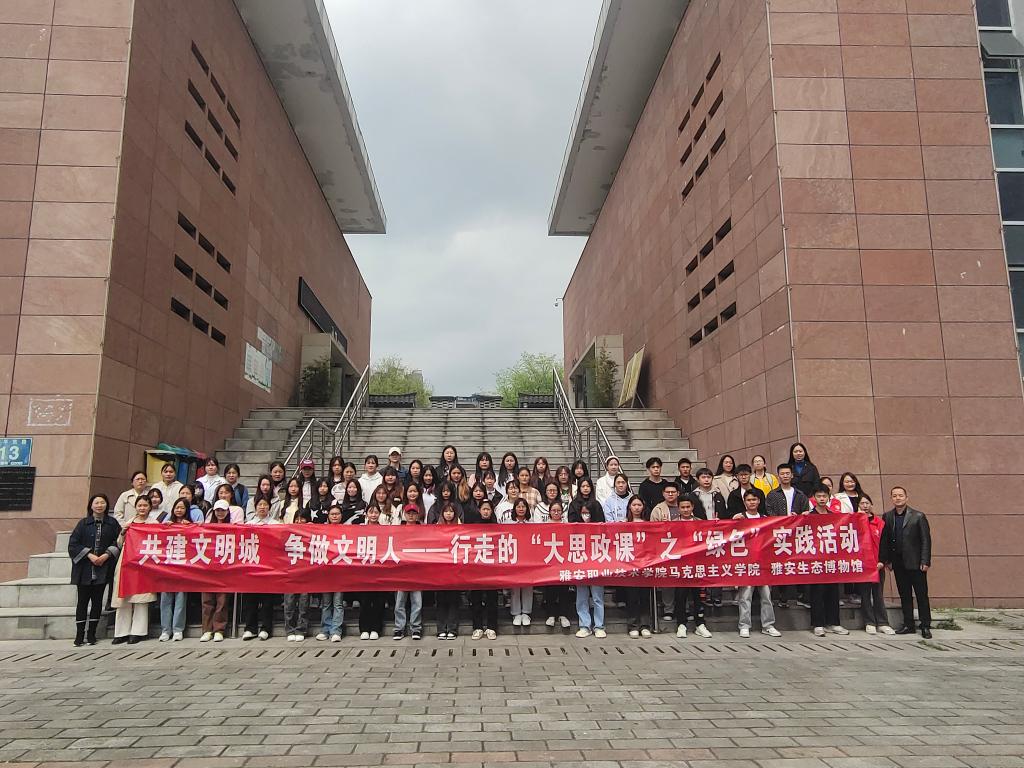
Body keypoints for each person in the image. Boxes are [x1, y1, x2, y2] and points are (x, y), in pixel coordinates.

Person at [880, 486, 933, 639]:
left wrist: (925, 560)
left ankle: (925, 625)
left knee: (921, 595)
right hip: (898, 563)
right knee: (904, 595)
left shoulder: (918, 516)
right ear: (891, 498)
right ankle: (908, 624)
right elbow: (885, 540)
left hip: (916, 563)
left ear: (906, 497)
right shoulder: (888, 516)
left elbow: (926, 540)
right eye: (894, 496)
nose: (898, 498)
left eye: (900, 495)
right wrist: (887, 560)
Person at [68, 493, 120, 646]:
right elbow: (73, 545)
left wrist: (106, 555)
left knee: (97, 602)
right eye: (96, 503)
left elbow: (118, 542)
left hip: (103, 567)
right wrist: (89, 555)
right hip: (84, 568)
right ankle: (79, 635)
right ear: (91, 505)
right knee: (82, 602)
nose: (99, 505)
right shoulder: (83, 524)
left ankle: (91, 634)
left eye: (102, 502)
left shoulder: (112, 523)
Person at [732, 490, 782, 638]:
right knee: (745, 596)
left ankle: (768, 625)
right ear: (744, 502)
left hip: (763, 563)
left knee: (766, 596)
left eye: (754, 499)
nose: (752, 502)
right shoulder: (739, 518)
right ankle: (744, 625)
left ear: (759, 501)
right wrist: (733, 521)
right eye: (749, 500)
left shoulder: (766, 519)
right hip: (746, 563)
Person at [110, 495, 157, 644]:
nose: (142, 508)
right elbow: (119, 543)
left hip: (144, 563)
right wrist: (123, 532)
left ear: (150, 507)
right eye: (140, 505)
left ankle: (138, 631)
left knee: (141, 598)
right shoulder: (129, 523)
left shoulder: (153, 523)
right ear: (135, 507)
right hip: (126, 561)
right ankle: (121, 632)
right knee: (123, 596)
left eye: (145, 505)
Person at [807, 484, 848, 637]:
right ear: (814, 498)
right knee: (817, 592)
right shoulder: (808, 516)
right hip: (815, 560)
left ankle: (834, 623)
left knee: (833, 591)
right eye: (819, 496)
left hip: (831, 559)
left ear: (829, 498)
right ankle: (818, 624)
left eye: (824, 496)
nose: (822, 499)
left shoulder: (834, 516)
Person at [670, 497, 712, 640]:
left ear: (692, 507)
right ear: (678, 508)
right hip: (680, 566)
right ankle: (681, 624)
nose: (686, 510)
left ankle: (700, 624)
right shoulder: (672, 524)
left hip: (697, 565)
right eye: (683, 507)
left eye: (688, 507)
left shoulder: (700, 522)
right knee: (680, 596)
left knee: (698, 596)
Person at [569, 478, 606, 638]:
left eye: (588, 486)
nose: (585, 488)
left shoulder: (596, 505)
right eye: (583, 486)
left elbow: (603, 525)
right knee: (582, 593)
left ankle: (599, 626)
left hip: (596, 551)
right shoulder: (573, 505)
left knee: (597, 594)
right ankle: (584, 625)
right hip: (579, 552)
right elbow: (571, 526)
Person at [242, 497, 280, 641]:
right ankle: (250, 628)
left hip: (269, 567)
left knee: (267, 600)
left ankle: (266, 628)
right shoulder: (248, 524)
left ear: (269, 507)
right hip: (252, 567)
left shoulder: (276, 524)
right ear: (255, 507)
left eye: (265, 505)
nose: (262, 507)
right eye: (260, 505)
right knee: (250, 599)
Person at [857, 495, 895, 635]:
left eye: (867, 503)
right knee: (865, 595)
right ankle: (869, 622)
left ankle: (883, 623)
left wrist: (882, 561)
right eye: (862, 503)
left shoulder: (879, 523)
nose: (865, 506)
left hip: (878, 565)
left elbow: (885, 544)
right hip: (862, 565)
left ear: (871, 505)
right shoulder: (854, 521)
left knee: (878, 594)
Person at [159, 498, 193, 642]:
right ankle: (165, 630)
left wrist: (190, 526)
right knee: (165, 600)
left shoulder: (190, 525)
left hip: (183, 568)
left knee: (180, 600)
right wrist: (164, 527)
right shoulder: (166, 524)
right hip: (167, 567)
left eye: (182, 508)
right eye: (177, 507)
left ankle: (178, 629)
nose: (179, 510)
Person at [200, 501, 232, 643]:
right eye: (217, 510)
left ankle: (219, 629)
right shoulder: (206, 527)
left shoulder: (233, 527)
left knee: (222, 600)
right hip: (208, 568)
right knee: (207, 600)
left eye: (223, 510)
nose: (220, 513)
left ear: (227, 512)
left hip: (225, 569)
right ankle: (207, 630)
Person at [622, 495, 653, 638]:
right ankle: (633, 625)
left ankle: (645, 625)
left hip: (646, 564)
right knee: (632, 596)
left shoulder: (649, 524)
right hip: (630, 565)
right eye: (634, 505)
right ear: (629, 506)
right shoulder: (623, 523)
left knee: (644, 596)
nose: (636, 508)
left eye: (639, 505)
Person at [468, 500, 500, 640]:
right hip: (477, 567)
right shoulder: (473, 526)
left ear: (492, 511)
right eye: (484, 509)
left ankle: (492, 627)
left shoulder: (497, 527)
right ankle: (477, 627)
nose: (486, 511)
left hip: (492, 567)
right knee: (476, 598)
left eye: (488, 509)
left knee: (492, 598)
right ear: (479, 510)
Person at [393, 503, 424, 640]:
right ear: (404, 515)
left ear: (417, 515)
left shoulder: (423, 530)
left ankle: (416, 628)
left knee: (417, 601)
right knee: (399, 602)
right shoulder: (398, 530)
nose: (411, 516)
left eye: (413, 513)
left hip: (417, 569)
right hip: (402, 570)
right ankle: (399, 628)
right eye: (409, 513)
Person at [356, 506, 387, 639]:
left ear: (379, 514)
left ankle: (376, 628)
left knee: (379, 601)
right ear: (366, 514)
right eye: (371, 512)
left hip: (380, 570)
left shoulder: (384, 530)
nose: (373, 515)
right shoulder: (360, 529)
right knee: (365, 601)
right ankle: (364, 628)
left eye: (376, 512)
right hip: (364, 570)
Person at [317, 505, 347, 642]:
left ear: (341, 515)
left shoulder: (347, 530)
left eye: (337, 513)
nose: (334, 516)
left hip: (340, 572)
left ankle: (336, 630)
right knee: (326, 603)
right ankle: (325, 629)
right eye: (332, 514)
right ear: (328, 516)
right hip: (326, 572)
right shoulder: (322, 531)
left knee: (338, 603)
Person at [284, 507, 312, 642]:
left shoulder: (312, 533)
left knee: (304, 603)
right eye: (297, 519)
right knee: (289, 602)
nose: (299, 521)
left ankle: (301, 629)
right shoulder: (289, 532)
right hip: (290, 573)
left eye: (303, 519)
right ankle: (289, 629)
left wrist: (313, 528)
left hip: (306, 574)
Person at [434, 503, 462, 639]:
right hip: (440, 568)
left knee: (453, 599)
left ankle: (452, 628)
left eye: (451, 511)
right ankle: (441, 628)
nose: (449, 514)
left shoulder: (461, 528)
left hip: (455, 568)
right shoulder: (436, 528)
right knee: (441, 600)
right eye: (446, 511)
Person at [507, 498, 535, 626]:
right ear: (514, 509)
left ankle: (526, 613)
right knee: (515, 586)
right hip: (513, 558)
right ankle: (516, 613)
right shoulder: (508, 523)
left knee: (528, 585)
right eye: (518, 506)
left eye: (523, 506)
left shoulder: (532, 523)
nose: (521, 509)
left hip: (528, 558)